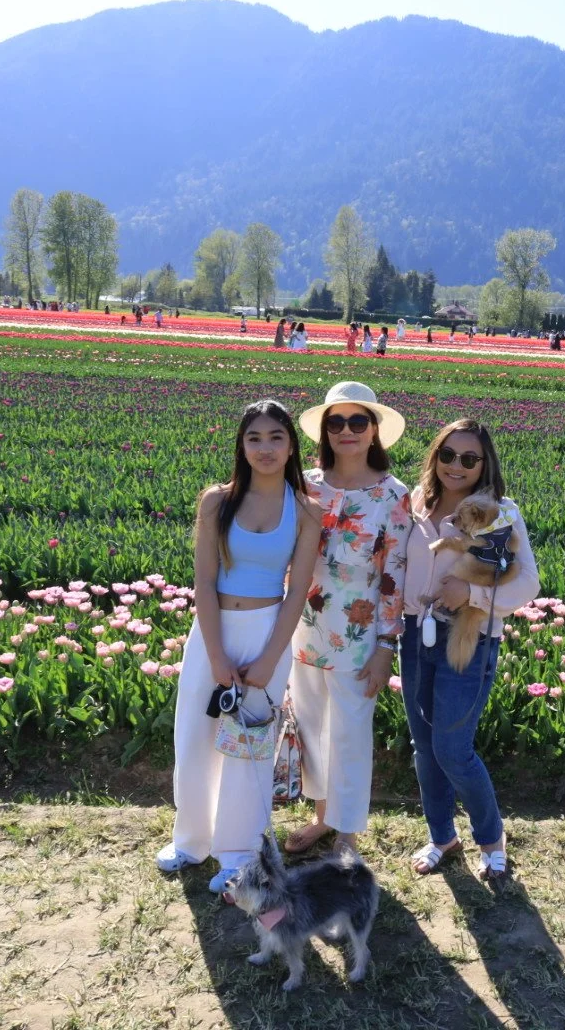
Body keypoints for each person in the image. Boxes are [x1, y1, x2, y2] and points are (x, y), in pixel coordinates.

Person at [155, 401, 323, 893]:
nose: (265, 448)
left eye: (275, 437)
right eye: (254, 438)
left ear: (291, 445)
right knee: (194, 735)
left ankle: (241, 852)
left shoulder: (306, 510)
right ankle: (190, 841)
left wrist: (270, 656)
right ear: (241, 445)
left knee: (249, 745)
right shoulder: (216, 502)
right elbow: (203, 583)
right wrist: (216, 654)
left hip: (268, 629)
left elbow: (298, 592)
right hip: (212, 630)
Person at [401, 419, 540, 884]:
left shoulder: (500, 513)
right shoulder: (417, 504)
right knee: (425, 747)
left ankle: (491, 838)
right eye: (447, 455)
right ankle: (442, 836)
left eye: (469, 458)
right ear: (434, 456)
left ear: (485, 465)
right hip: (414, 633)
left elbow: (527, 583)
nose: (455, 466)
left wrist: (473, 596)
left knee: (452, 749)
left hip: (470, 637)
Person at [285, 382, 411, 855]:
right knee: (312, 726)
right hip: (303, 629)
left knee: (352, 734)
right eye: (335, 422)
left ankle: (348, 833)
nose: (347, 431)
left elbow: (393, 575)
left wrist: (385, 648)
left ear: (375, 430)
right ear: (325, 432)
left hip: (358, 636)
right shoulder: (306, 486)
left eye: (358, 421)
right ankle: (322, 817)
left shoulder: (391, 494)